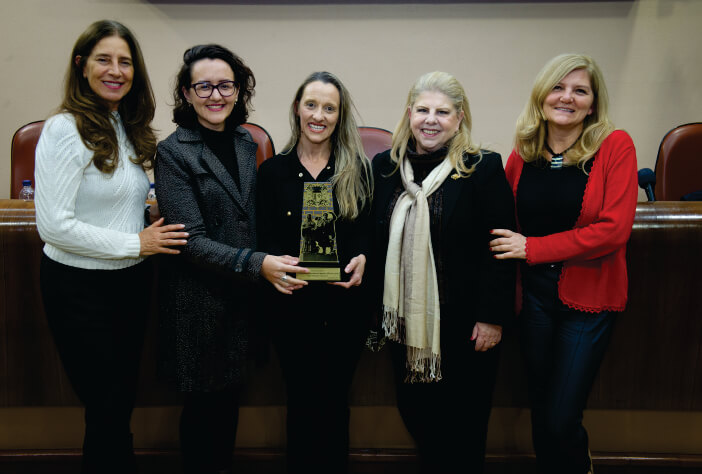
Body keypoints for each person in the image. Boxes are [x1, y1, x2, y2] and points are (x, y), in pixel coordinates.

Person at [34, 20, 188, 474]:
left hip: (128, 282)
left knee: (118, 403)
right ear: (82, 66)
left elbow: (110, 200)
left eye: (125, 62)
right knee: (104, 404)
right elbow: (54, 226)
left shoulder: (123, 125)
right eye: (104, 59)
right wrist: (135, 241)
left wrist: (148, 215)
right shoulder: (65, 129)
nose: (116, 70)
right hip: (79, 287)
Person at [153, 45, 308, 474]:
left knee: (228, 404)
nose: (216, 95)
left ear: (239, 91)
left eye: (226, 85)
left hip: (241, 300)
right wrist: (259, 263)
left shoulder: (245, 141)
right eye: (204, 85)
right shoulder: (173, 152)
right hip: (197, 301)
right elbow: (190, 241)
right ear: (186, 93)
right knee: (202, 410)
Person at [489, 53, 638, 474]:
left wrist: (534, 248)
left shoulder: (615, 145)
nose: (566, 98)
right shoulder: (525, 151)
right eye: (557, 87)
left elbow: (613, 230)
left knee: (561, 419)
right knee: (540, 411)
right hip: (533, 298)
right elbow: (502, 217)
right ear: (541, 97)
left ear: (593, 104)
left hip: (587, 302)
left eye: (580, 91)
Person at [371, 71, 516, 473]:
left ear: (459, 117)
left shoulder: (480, 167)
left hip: (467, 324)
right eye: (422, 110)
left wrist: (492, 317)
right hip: (405, 323)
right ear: (409, 113)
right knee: (416, 412)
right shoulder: (385, 166)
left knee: (465, 425)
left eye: (442, 111)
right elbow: (371, 236)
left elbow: (501, 248)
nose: (430, 120)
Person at [256, 71, 373, 474]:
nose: (318, 115)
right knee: (302, 396)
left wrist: (364, 257)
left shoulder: (358, 169)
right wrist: (274, 265)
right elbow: (263, 235)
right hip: (292, 305)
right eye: (311, 105)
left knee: (336, 397)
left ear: (339, 117)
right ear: (297, 109)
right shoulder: (272, 173)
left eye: (329, 108)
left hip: (345, 306)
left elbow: (371, 233)